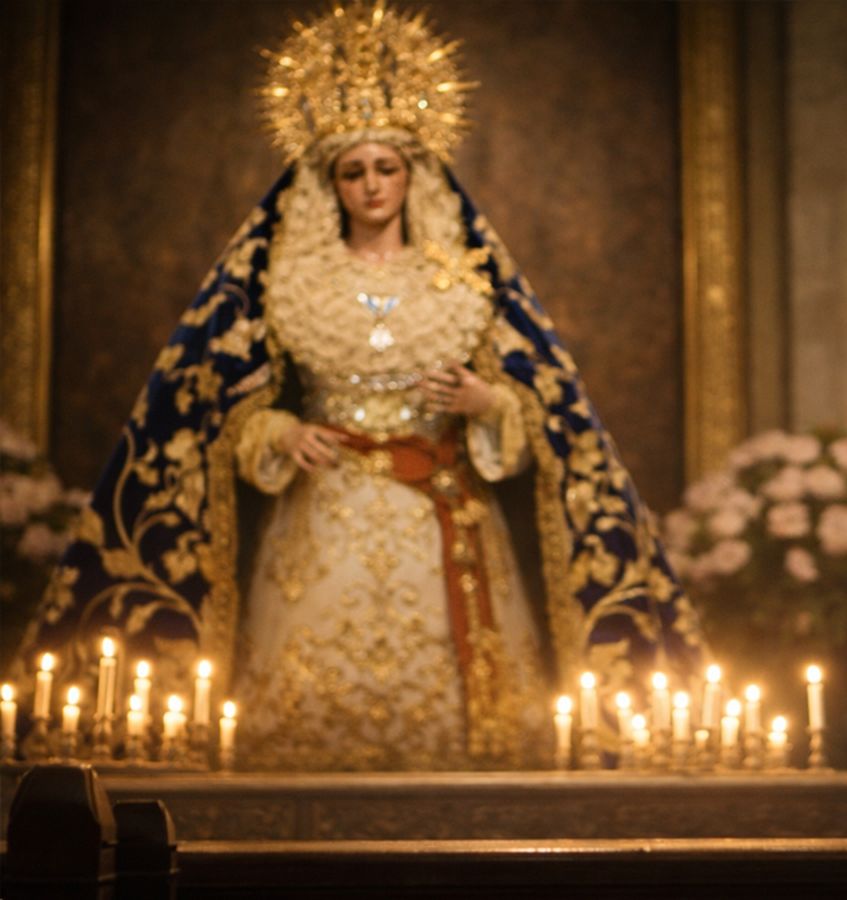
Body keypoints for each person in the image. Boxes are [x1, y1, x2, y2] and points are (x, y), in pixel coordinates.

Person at [12, 1, 702, 770]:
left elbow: (536, 407)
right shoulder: (291, 280)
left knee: (461, 738)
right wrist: (279, 433)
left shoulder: (465, 281)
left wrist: (486, 405)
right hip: (324, 517)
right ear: (329, 183)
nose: (372, 186)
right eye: (353, 171)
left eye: (387, 167)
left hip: (446, 509)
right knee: (311, 730)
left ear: (413, 174)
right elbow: (227, 414)